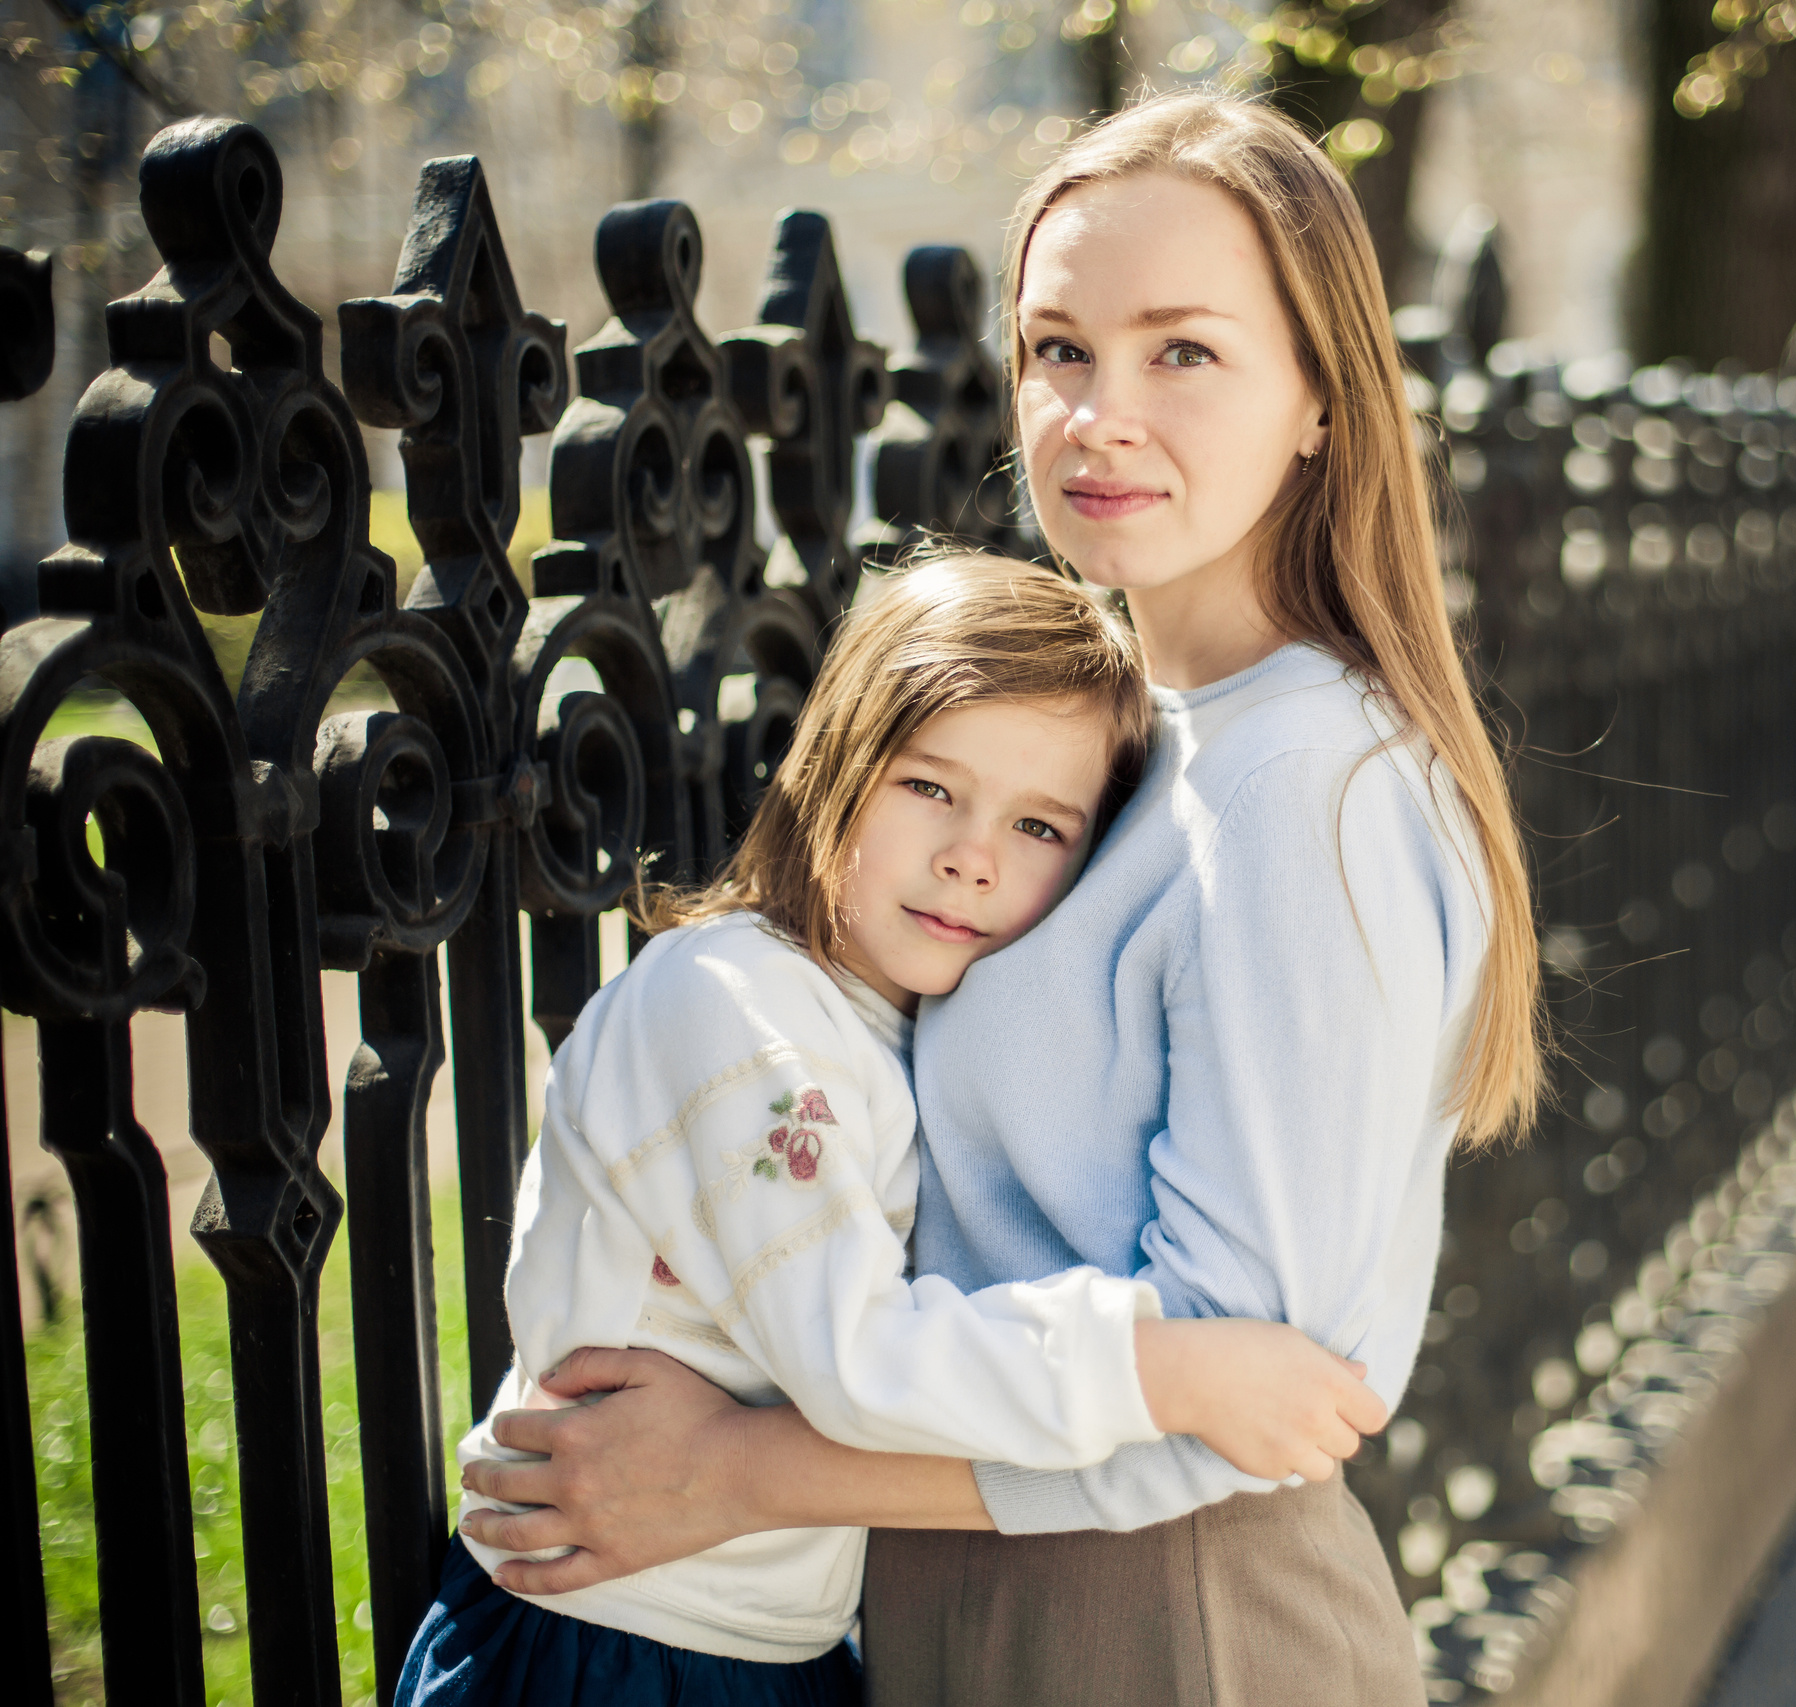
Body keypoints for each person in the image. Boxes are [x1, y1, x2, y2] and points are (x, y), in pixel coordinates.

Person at [454, 92, 1547, 1706]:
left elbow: (1237, 1394)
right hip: (954, 1607)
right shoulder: (1122, 745)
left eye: (1184, 351)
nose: (1099, 413)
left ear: (1320, 394)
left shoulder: (1308, 789)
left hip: (1166, 1627)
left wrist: (748, 1473)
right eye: (1059, 350)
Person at [396, 553, 1388, 1707]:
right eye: (930, 787)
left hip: (775, 1649)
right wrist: (1168, 1370)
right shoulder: (732, 1007)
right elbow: (857, 1361)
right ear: (837, 765)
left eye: (1039, 825)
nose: (973, 854)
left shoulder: (906, 1028)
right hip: (615, 1647)